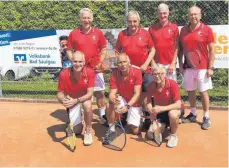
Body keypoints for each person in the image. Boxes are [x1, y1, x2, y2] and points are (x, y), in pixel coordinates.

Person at [65, 8, 107, 125]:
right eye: (84, 18)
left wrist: (100, 61)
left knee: (100, 93)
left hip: (96, 69)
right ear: (80, 19)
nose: (86, 20)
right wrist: (74, 60)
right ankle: (81, 115)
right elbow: (68, 49)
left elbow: (103, 49)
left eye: (88, 18)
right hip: (80, 71)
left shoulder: (98, 32)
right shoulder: (74, 33)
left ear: (92, 19)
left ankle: (103, 115)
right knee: (81, 94)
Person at [178, 6, 215, 130]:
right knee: (190, 90)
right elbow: (180, 49)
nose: (193, 16)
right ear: (188, 16)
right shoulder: (183, 30)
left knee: (203, 92)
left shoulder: (207, 30)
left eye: (196, 14)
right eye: (191, 14)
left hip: (202, 67)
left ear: (200, 15)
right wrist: (180, 64)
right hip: (188, 67)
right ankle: (193, 113)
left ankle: (206, 116)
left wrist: (210, 67)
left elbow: (212, 50)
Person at [115, 10, 156, 108]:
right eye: (130, 21)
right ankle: (127, 113)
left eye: (135, 21)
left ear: (138, 21)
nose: (132, 24)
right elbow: (117, 51)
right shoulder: (122, 34)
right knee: (129, 93)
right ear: (127, 22)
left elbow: (152, 50)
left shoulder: (145, 33)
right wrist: (122, 64)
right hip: (128, 72)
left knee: (148, 92)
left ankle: (147, 117)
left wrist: (146, 64)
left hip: (144, 70)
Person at [102, 53, 142, 144]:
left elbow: (137, 93)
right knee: (109, 105)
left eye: (124, 62)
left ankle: (141, 118)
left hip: (134, 102)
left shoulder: (136, 72)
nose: (123, 64)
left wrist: (128, 106)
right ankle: (112, 129)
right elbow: (112, 93)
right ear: (117, 64)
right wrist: (113, 100)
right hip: (123, 99)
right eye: (120, 62)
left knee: (136, 131)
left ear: (129, 62)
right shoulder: (114, 73)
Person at [56, 51, 95, 146]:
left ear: (84, 62)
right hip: (72, 100)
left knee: (87, 105)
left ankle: (88, 131)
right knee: (77, 131)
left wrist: (76, 100)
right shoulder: (63, 73)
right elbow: (59, 93)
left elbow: (90, 93)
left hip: (84, 98)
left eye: (80, 61)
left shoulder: (90, 72)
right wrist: (64, 101)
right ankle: (79, 119)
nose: (78, 64)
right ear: (71, 61)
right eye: (75, 61)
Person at [146, 64, 183, 148]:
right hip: (160, 113)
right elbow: (148, 103)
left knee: (172, 114)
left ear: (164, 74)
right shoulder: (151, 86)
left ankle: (173, 135)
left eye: (160, 73)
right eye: (155, 74)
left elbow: (178, 104)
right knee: (150, 134)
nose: (157, 76)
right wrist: (151, 111)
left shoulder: (172, 84)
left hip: (173, 109)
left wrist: (162, 108)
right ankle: (166, 124)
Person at [148, 3, 179, 81]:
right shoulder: (151, 29)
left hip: (170, 65)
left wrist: (173, 63)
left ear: (168, 13)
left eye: (164, 13)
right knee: (157, 90)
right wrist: (153, 63)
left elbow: (177, 47)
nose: (162, 15)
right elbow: (149, 48)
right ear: (157, 14)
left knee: (171, 88)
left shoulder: (174, 27)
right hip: (156, 65)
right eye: (160, 13)